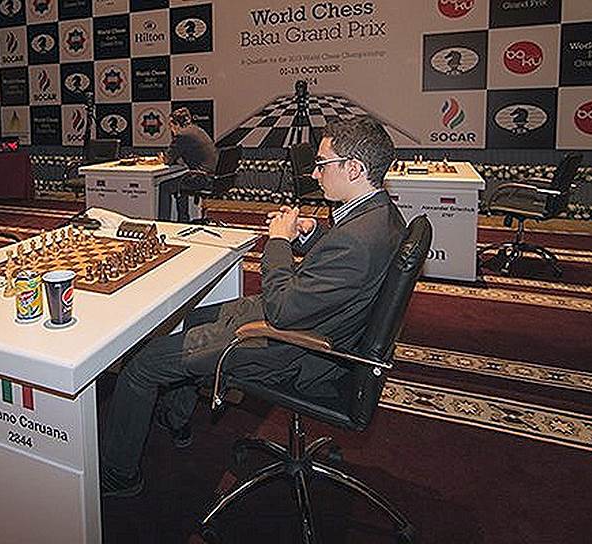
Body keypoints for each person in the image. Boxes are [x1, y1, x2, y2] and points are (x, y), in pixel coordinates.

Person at [100, 116, 406, 498]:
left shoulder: (358, 241)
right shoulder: (380, 216)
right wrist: (313, 234)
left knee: (141, 365)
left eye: (322, 164)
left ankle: (120, 477)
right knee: (190, 319)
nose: (314, 174)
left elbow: (281, 310)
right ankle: (175, 418)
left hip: (293, 347)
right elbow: (341, 265)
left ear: (354, 169)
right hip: (315, 324)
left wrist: (278, 241)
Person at [158, 107, 216, 222]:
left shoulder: (182, 135)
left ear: (176, 124)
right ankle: (183, 219)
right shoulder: (198, 130)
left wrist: (163, 158)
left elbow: (167, 160)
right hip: (212, 176)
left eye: (171, 125)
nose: (170, 129)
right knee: (181, 182)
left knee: (165, 186)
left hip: (201, 178)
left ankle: (163, 222)